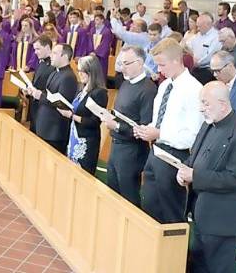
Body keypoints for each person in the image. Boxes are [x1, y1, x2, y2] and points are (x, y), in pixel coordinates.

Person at [177, 81, 236, 273]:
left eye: (205, 103)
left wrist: (195, 176)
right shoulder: (208, 126)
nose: (200, 109)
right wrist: (184, 169)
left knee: (218, 268)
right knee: (199, 266)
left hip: (222, 218)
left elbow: (234, 179)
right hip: (200, 212)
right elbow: (194, 158)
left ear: (222, 104)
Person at [134, 38, 204, 224]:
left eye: (162, 64)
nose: (159, 70)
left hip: (176, 154)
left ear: (176, 61)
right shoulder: (165, 85)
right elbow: (160, 120)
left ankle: (174, 252)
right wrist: (147, 129)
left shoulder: (194, 89)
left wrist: (159, 134)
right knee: (149, 206)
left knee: (171, 210)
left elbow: (193, 134)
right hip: (156, 150)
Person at [101, 46, 157, 206]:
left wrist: (117, 126)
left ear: (139, 63)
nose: (122, 67)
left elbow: (144, 128)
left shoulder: (148, 90)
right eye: (121, 63)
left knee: (128, 197)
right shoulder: (126, 83)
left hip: (132, 151)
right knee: (112, 191)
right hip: (116, 146)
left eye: (126, 63)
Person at [57, 55, 107, 174]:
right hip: (74, 136)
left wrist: (71, 116)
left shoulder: (100, 93)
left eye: (82, 71)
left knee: (82, 173)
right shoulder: (82, 88)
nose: (80, 74)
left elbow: (94, 122)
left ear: (92, 72)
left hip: (87, 140)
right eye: (78, 71)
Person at [26, 43, 79, 154]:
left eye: (55, 53)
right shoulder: (54, 72)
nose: (51, 56)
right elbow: (48, 93)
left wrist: (40, 96)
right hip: (44, 125)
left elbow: (61, 104)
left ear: (64, 57)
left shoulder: (69, 77)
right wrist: (34, 92)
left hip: (54, 130)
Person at [25, 36, 55, 133]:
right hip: (35, 106)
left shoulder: (53, 65)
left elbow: (52, 88)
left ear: (47, 47)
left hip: (45, 108)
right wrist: (28, 89)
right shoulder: (41, 62)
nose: (35, 52)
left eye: (38, 49)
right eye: (34, 49)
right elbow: (36, 82)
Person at [188, 13, 221, 84]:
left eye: (200, 26)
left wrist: (197, 63)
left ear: (208, 25)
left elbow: (211, 55)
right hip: (195, 68)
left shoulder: (216, 36)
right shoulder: (198, 35)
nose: (198, 29)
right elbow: (189, 46)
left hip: (207, 70)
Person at [89, 13, 114, 77]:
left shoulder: (107, 31)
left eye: (97, 20)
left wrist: (96, 53)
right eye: (95, 20)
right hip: (92, 55)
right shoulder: (92, 30)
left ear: (102, 20)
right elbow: (90, 42)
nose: (95, 22)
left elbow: (105, 44)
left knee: (101, 74)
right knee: (92, 74)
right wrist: (91, 51)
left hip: (101, 57)